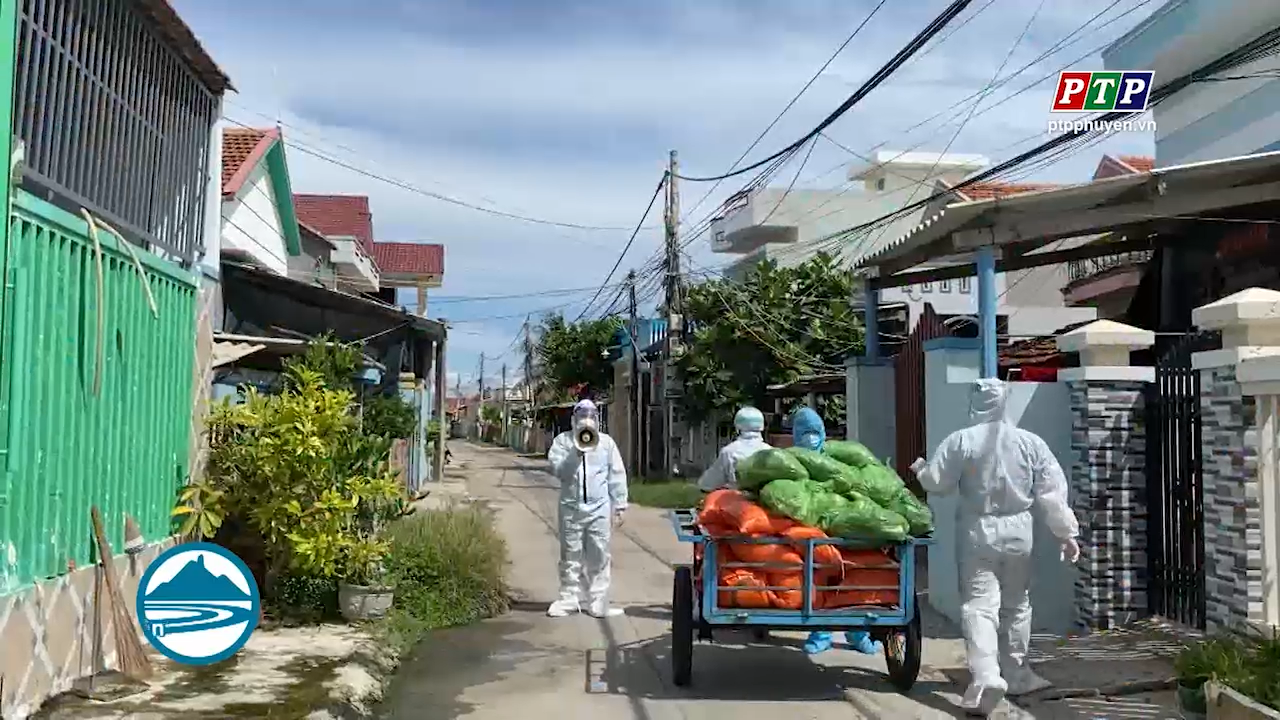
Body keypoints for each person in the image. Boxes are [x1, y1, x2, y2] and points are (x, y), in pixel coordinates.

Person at [910, 378, 1080, 716]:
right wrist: (1067, 535)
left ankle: (987, 675)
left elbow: (937, 484)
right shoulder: (1031, 443)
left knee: (978, 606)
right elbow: (1051, 494)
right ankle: (1018, 674)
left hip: (978, 528)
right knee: (1018, 604)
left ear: (975, 404)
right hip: (1020, 530)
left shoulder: (961, 441)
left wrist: (920, 469)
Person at [790, 406, 883, 657]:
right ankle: (821, 632)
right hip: (811, 532)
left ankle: (857, 632)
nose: (810, 437)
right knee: (818, 577)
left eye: (813, 432)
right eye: (804, 432)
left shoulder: (836, 458)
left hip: (841, 527)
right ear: (795, 436)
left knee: (853, 578)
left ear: (822, 432)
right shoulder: (790, 461)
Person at [545, 399, 629, 619]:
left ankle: (598, 602)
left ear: (597, 419)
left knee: (599, 555)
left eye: (591, 415)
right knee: (570, 554)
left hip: (599, 508)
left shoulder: (606, 444)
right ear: (574, 418)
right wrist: (577, 451)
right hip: (570, 508)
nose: (587, 418)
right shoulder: (562, 442)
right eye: (582, 414)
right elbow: (559, 471)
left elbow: (616, 475)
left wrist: (620, 504)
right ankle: (568, 599)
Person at [697, 406, 771, 493]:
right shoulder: (770, 451)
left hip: (737, 503)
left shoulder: (729, 452)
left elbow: (707, 484)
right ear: (762, 427)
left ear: (737, 428)